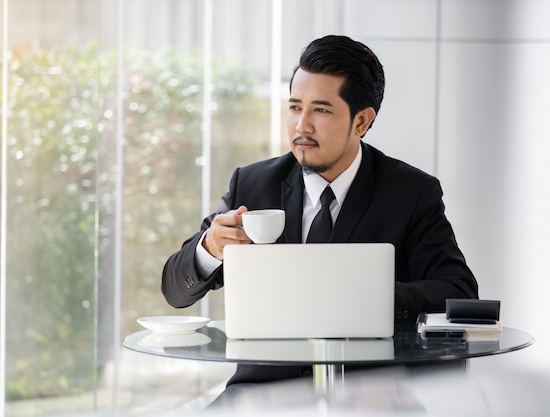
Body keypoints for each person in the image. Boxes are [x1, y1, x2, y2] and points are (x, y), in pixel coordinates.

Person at [161, 34, 478, 393]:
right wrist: (209, 248)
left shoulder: (410, 192)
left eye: (321, 110)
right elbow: (175, 289)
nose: (301, 126)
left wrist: (360, 300)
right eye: (295, 107)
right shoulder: (252, 184)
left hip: (367, 395)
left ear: (361, 121)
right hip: (262, 393)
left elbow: (459, 292)